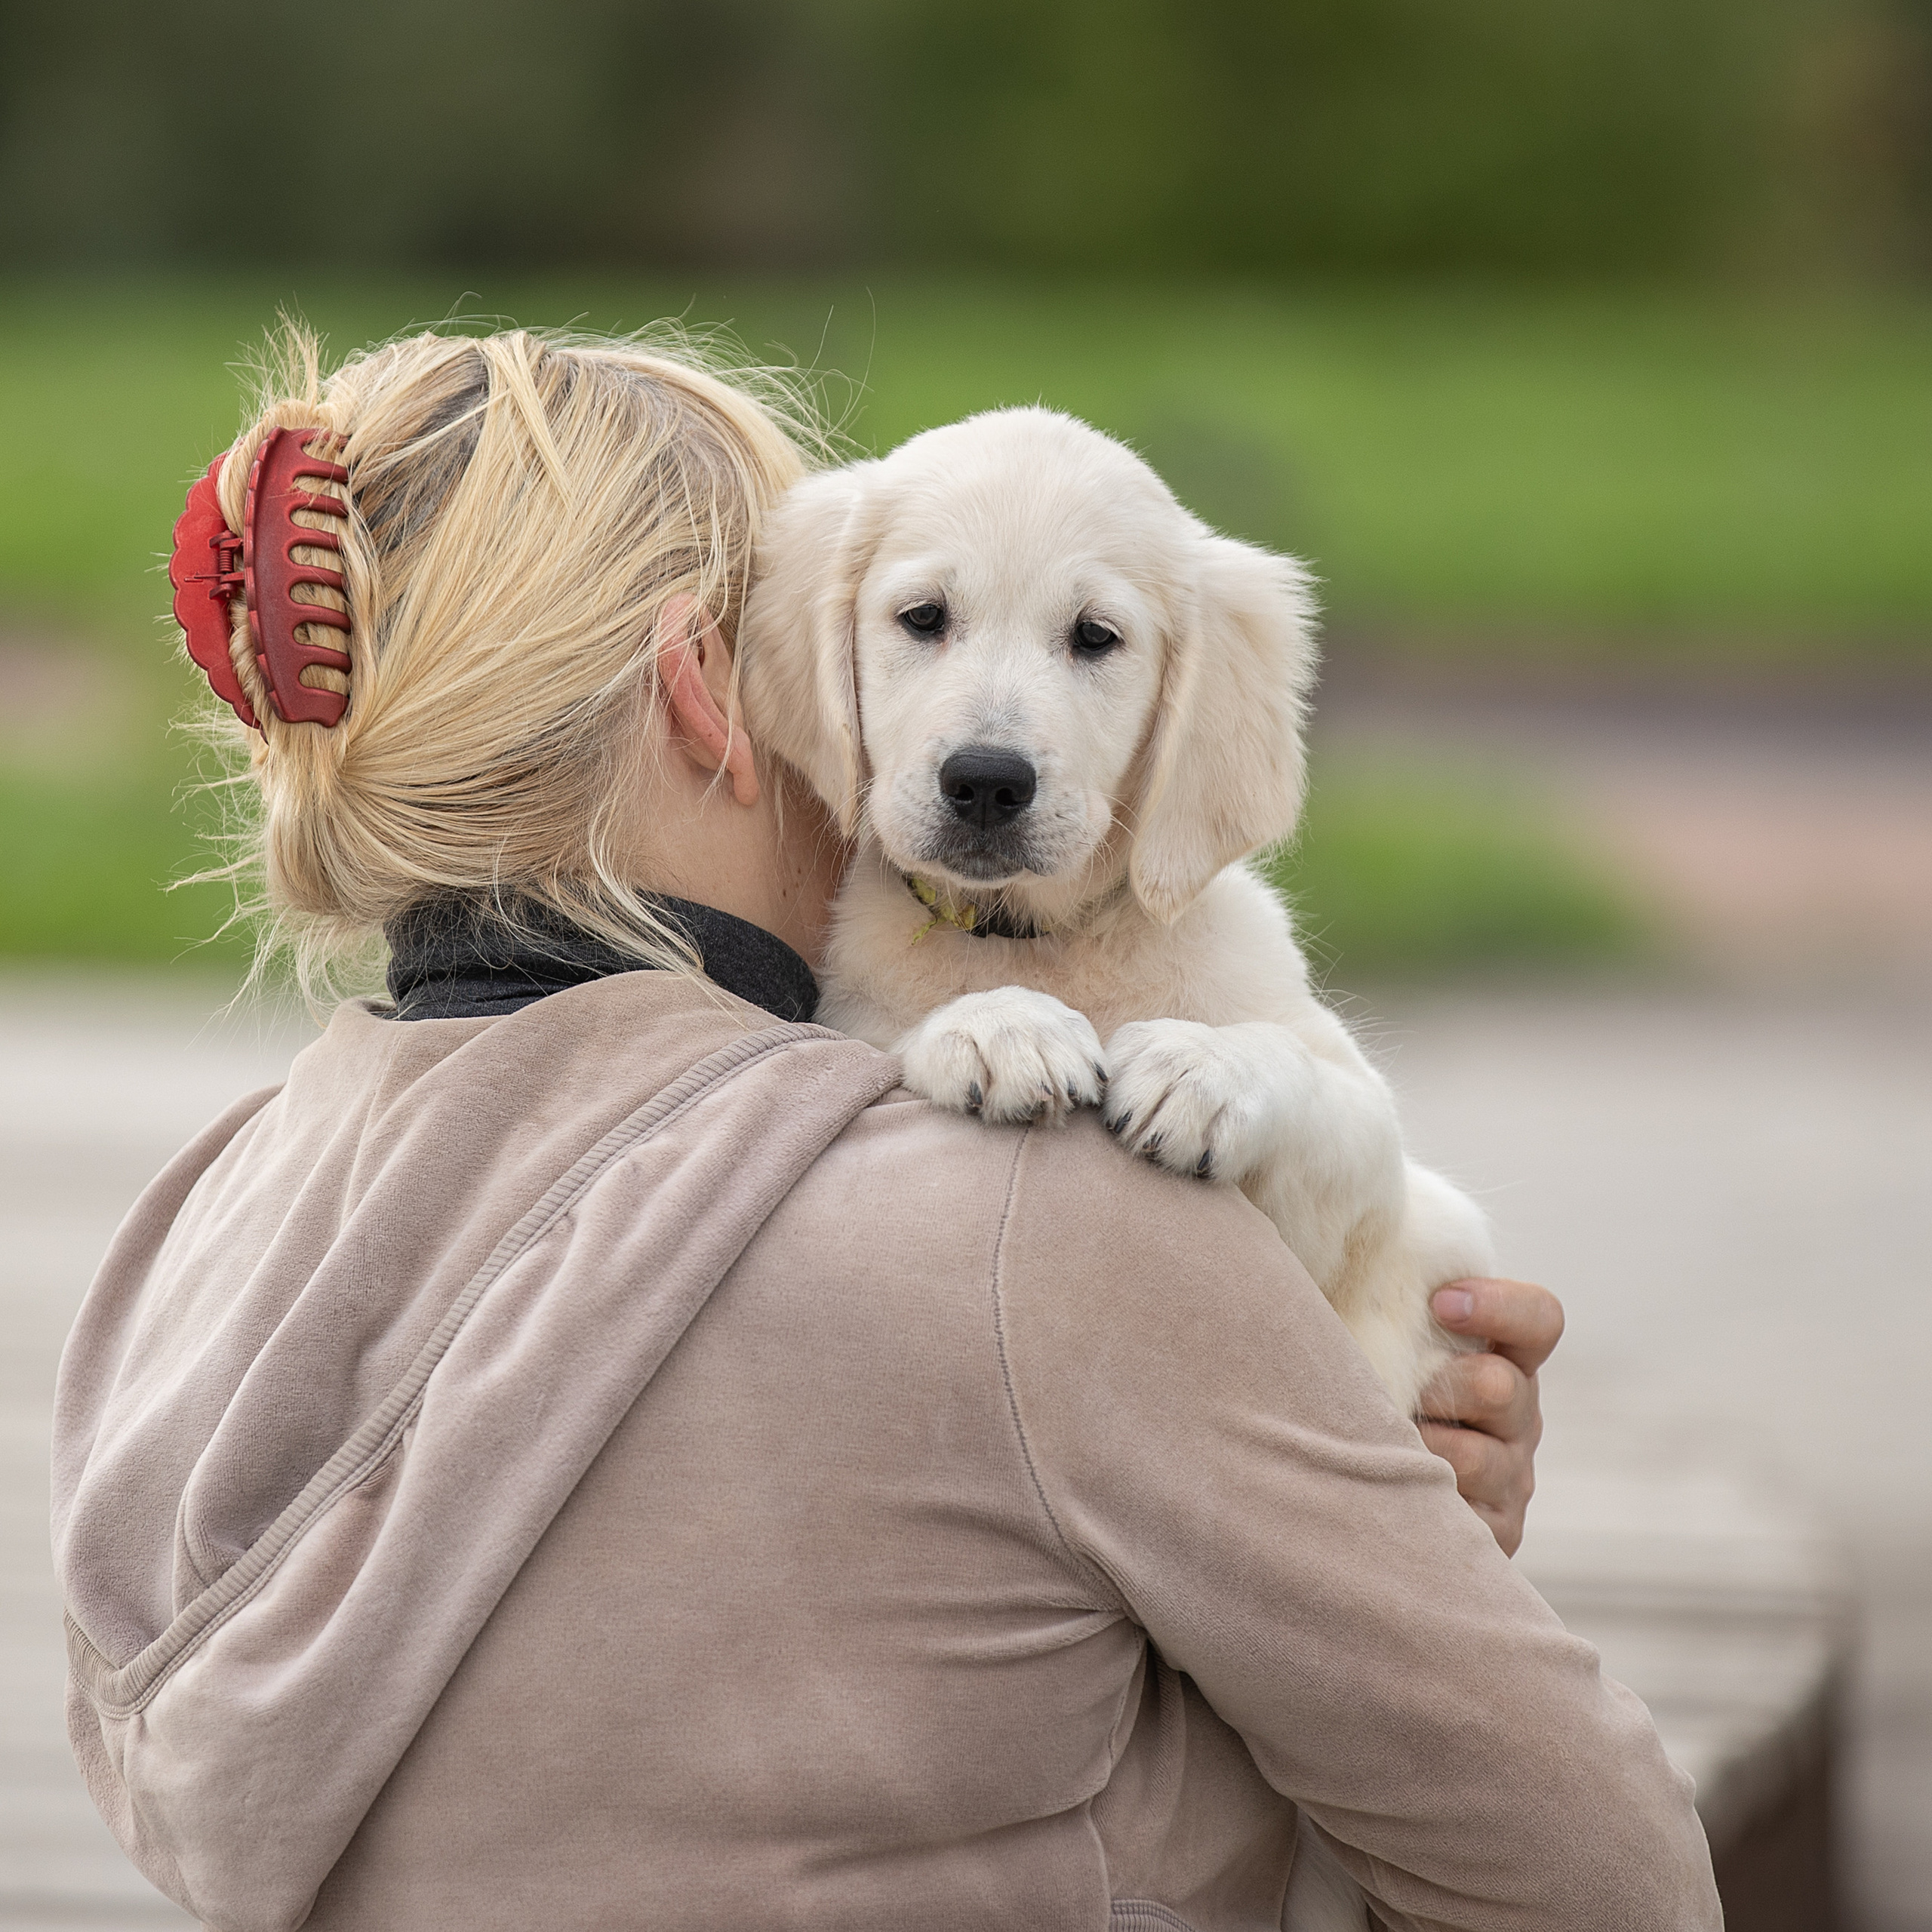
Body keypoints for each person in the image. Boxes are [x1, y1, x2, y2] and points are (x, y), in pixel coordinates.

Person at [52, 326, 1718, 1932]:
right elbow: (1602, 1882)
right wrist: (1371, 1540)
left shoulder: (188, 1234)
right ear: (716, 688)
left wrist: (1304, 1457)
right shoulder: (1037, 1215)